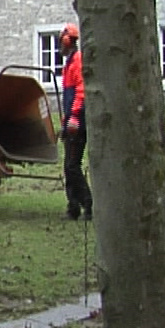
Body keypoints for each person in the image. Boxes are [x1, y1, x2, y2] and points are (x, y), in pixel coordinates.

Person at [58, 23, 92, 221]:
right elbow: (69, 97)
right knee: (69, 166)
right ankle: (73, 207)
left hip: (78, 120)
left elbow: (80, 91)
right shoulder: (70, 63)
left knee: (72, 165)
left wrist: (74, 117)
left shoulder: (77, 62)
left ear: (67, 41)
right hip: (72, 118)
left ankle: (87, 203)